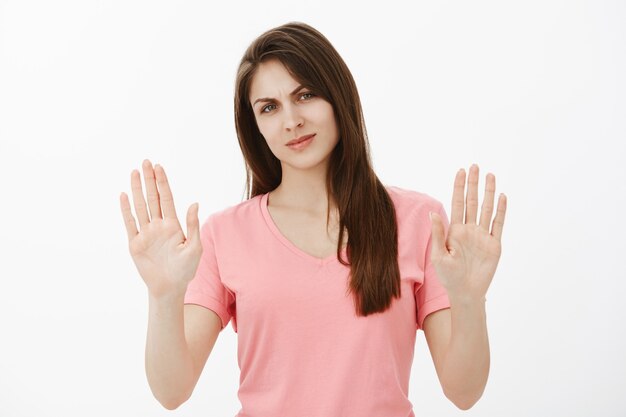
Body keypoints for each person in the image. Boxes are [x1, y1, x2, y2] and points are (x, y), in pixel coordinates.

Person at [119, 21, 507, 416]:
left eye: (305, 95)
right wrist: (164, 296)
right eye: (269, 107)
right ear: (255, 126)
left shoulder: (418, 221)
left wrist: (469, 299)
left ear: (338, 96)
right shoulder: (225, 234)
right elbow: (172, 391)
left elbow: (464, 391)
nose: (291, 121)